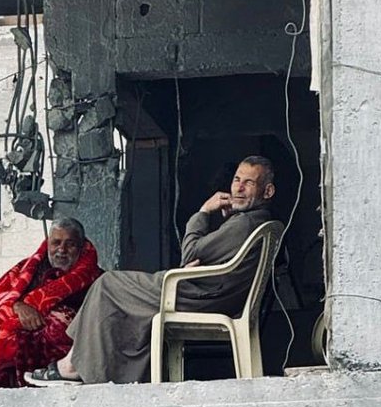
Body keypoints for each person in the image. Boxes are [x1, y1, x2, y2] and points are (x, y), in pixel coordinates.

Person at [27, 157, 276, 386]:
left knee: (108, 283)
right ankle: (78, 361)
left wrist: (203, 212)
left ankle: (74, 365)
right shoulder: (254, 221)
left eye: (249, 183)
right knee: (114, 290)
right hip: (207, 291)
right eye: (236, 180)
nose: (239, 188)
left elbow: (190, 253)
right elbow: (211, 256)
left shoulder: (245, 223)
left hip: (198, 295)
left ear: (267, 191)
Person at [0, 218, 101, 389]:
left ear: (81, 247)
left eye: (70, 244)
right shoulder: (27, 269)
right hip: (12, 342)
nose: (61, 250)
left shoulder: (96, 280)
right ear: (48, 244)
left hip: (62, 354)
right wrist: (18, 308)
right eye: (56, 243)